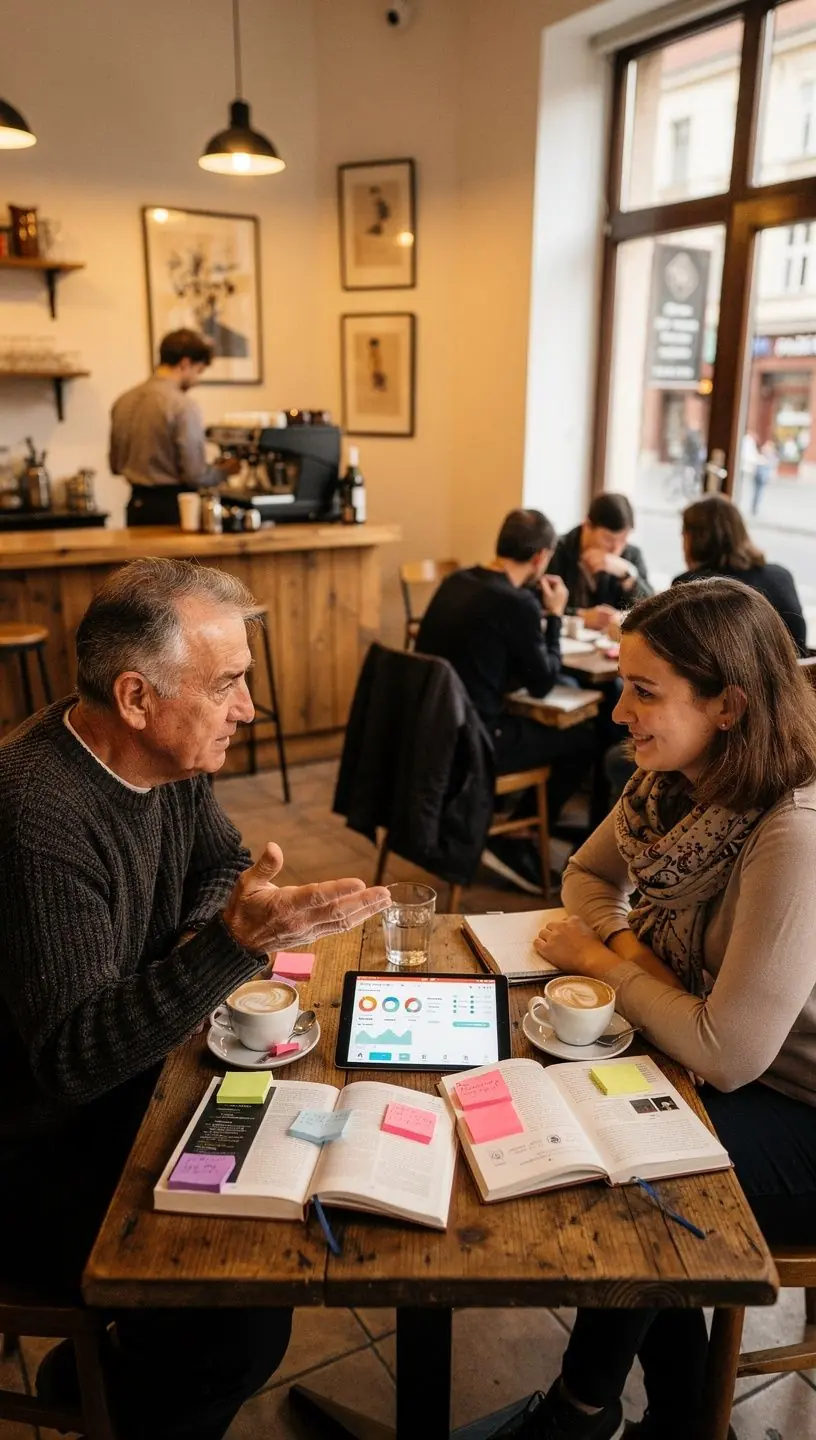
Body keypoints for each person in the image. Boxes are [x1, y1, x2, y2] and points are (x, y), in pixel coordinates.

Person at [0, 557, 389, 1440]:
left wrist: (198, 941)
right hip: (32, 1147)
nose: (248, 710)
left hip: (129, 1084)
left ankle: (110, 1366)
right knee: (241, 1312)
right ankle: (118, 1386)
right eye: (228, 686)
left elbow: (220, 865)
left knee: (298, 1138)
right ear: (136, 697)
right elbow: (73, 1060)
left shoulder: (168, 759)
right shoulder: (37, 811)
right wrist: (230, 946)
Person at [489, 579, 816, 1440]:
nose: (617, 711)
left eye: (644, 691)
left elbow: (728, 1051)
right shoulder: (672, 789)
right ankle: (673, 1419)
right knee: (582, 1102)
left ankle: (582, 1409)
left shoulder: (792, 830)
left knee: (631, 1171)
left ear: (729, 704)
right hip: (721, 1060)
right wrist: (632, 955)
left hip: (800, 1107)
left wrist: (602, 961)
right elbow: (590, 879)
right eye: (623, 684)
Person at [416, 509, 597, 895]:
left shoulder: (455, 581)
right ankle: (521, 832)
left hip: (431, 732)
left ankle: (510, 823)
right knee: (589, 734)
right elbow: (543, 684)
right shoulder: (517, 604)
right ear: (539, 558)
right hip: (477, 742)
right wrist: (553, 615)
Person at [110, 328, 239, 527]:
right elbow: (195, 475)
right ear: (185, 364)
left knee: (142, 559)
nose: (197, 381)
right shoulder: (183, 406)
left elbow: (116, 465)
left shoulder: (123, 401)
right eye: (198, 371)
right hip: (174, 510)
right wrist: (224, 471)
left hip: (136, 508)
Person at [674, 492, 806, 652]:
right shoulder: (781, 575)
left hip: (736, 677)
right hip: (793, 675)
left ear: (694, 539)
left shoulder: (691, 585)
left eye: (683, 534)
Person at [546, 494, 652, 632]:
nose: (616, 548)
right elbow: (542, 603)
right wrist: (580, 616)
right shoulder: (556, 550)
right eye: (608, 539)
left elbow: (652, 611)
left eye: (623, 540)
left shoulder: (631, 555)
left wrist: (627, 575)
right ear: (587, 525)